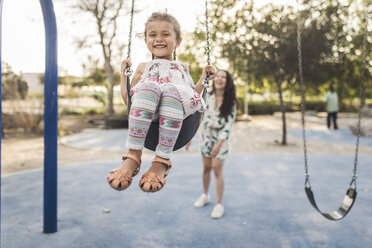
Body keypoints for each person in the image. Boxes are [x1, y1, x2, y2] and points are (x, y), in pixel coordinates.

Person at [107, 12, 216, 193]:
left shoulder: (183, 67)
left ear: (178, 40)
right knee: (150, 87)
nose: (159, 39)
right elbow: (129, 101)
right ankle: (133, 155)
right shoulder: (143, 67)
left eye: (165, 34)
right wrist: (122, 75)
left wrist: (203, 80)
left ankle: (162, 161)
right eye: (152, 35)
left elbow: (192, 98)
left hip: (175, 114)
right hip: (148, 113)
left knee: (173, 92)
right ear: (146, 40)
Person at [193, 70, 238, 219]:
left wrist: (218, 144)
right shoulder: (208, 96)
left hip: (221, 139)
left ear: (227, 81)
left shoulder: (231, 101)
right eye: (217, 76)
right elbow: (199, 116)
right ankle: (205, 195)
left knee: (216, 169)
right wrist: (190, 135)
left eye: (223, 77)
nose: (219, 79)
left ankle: (219, 204)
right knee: (206, 168)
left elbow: (229, 125)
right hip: (206, 137)